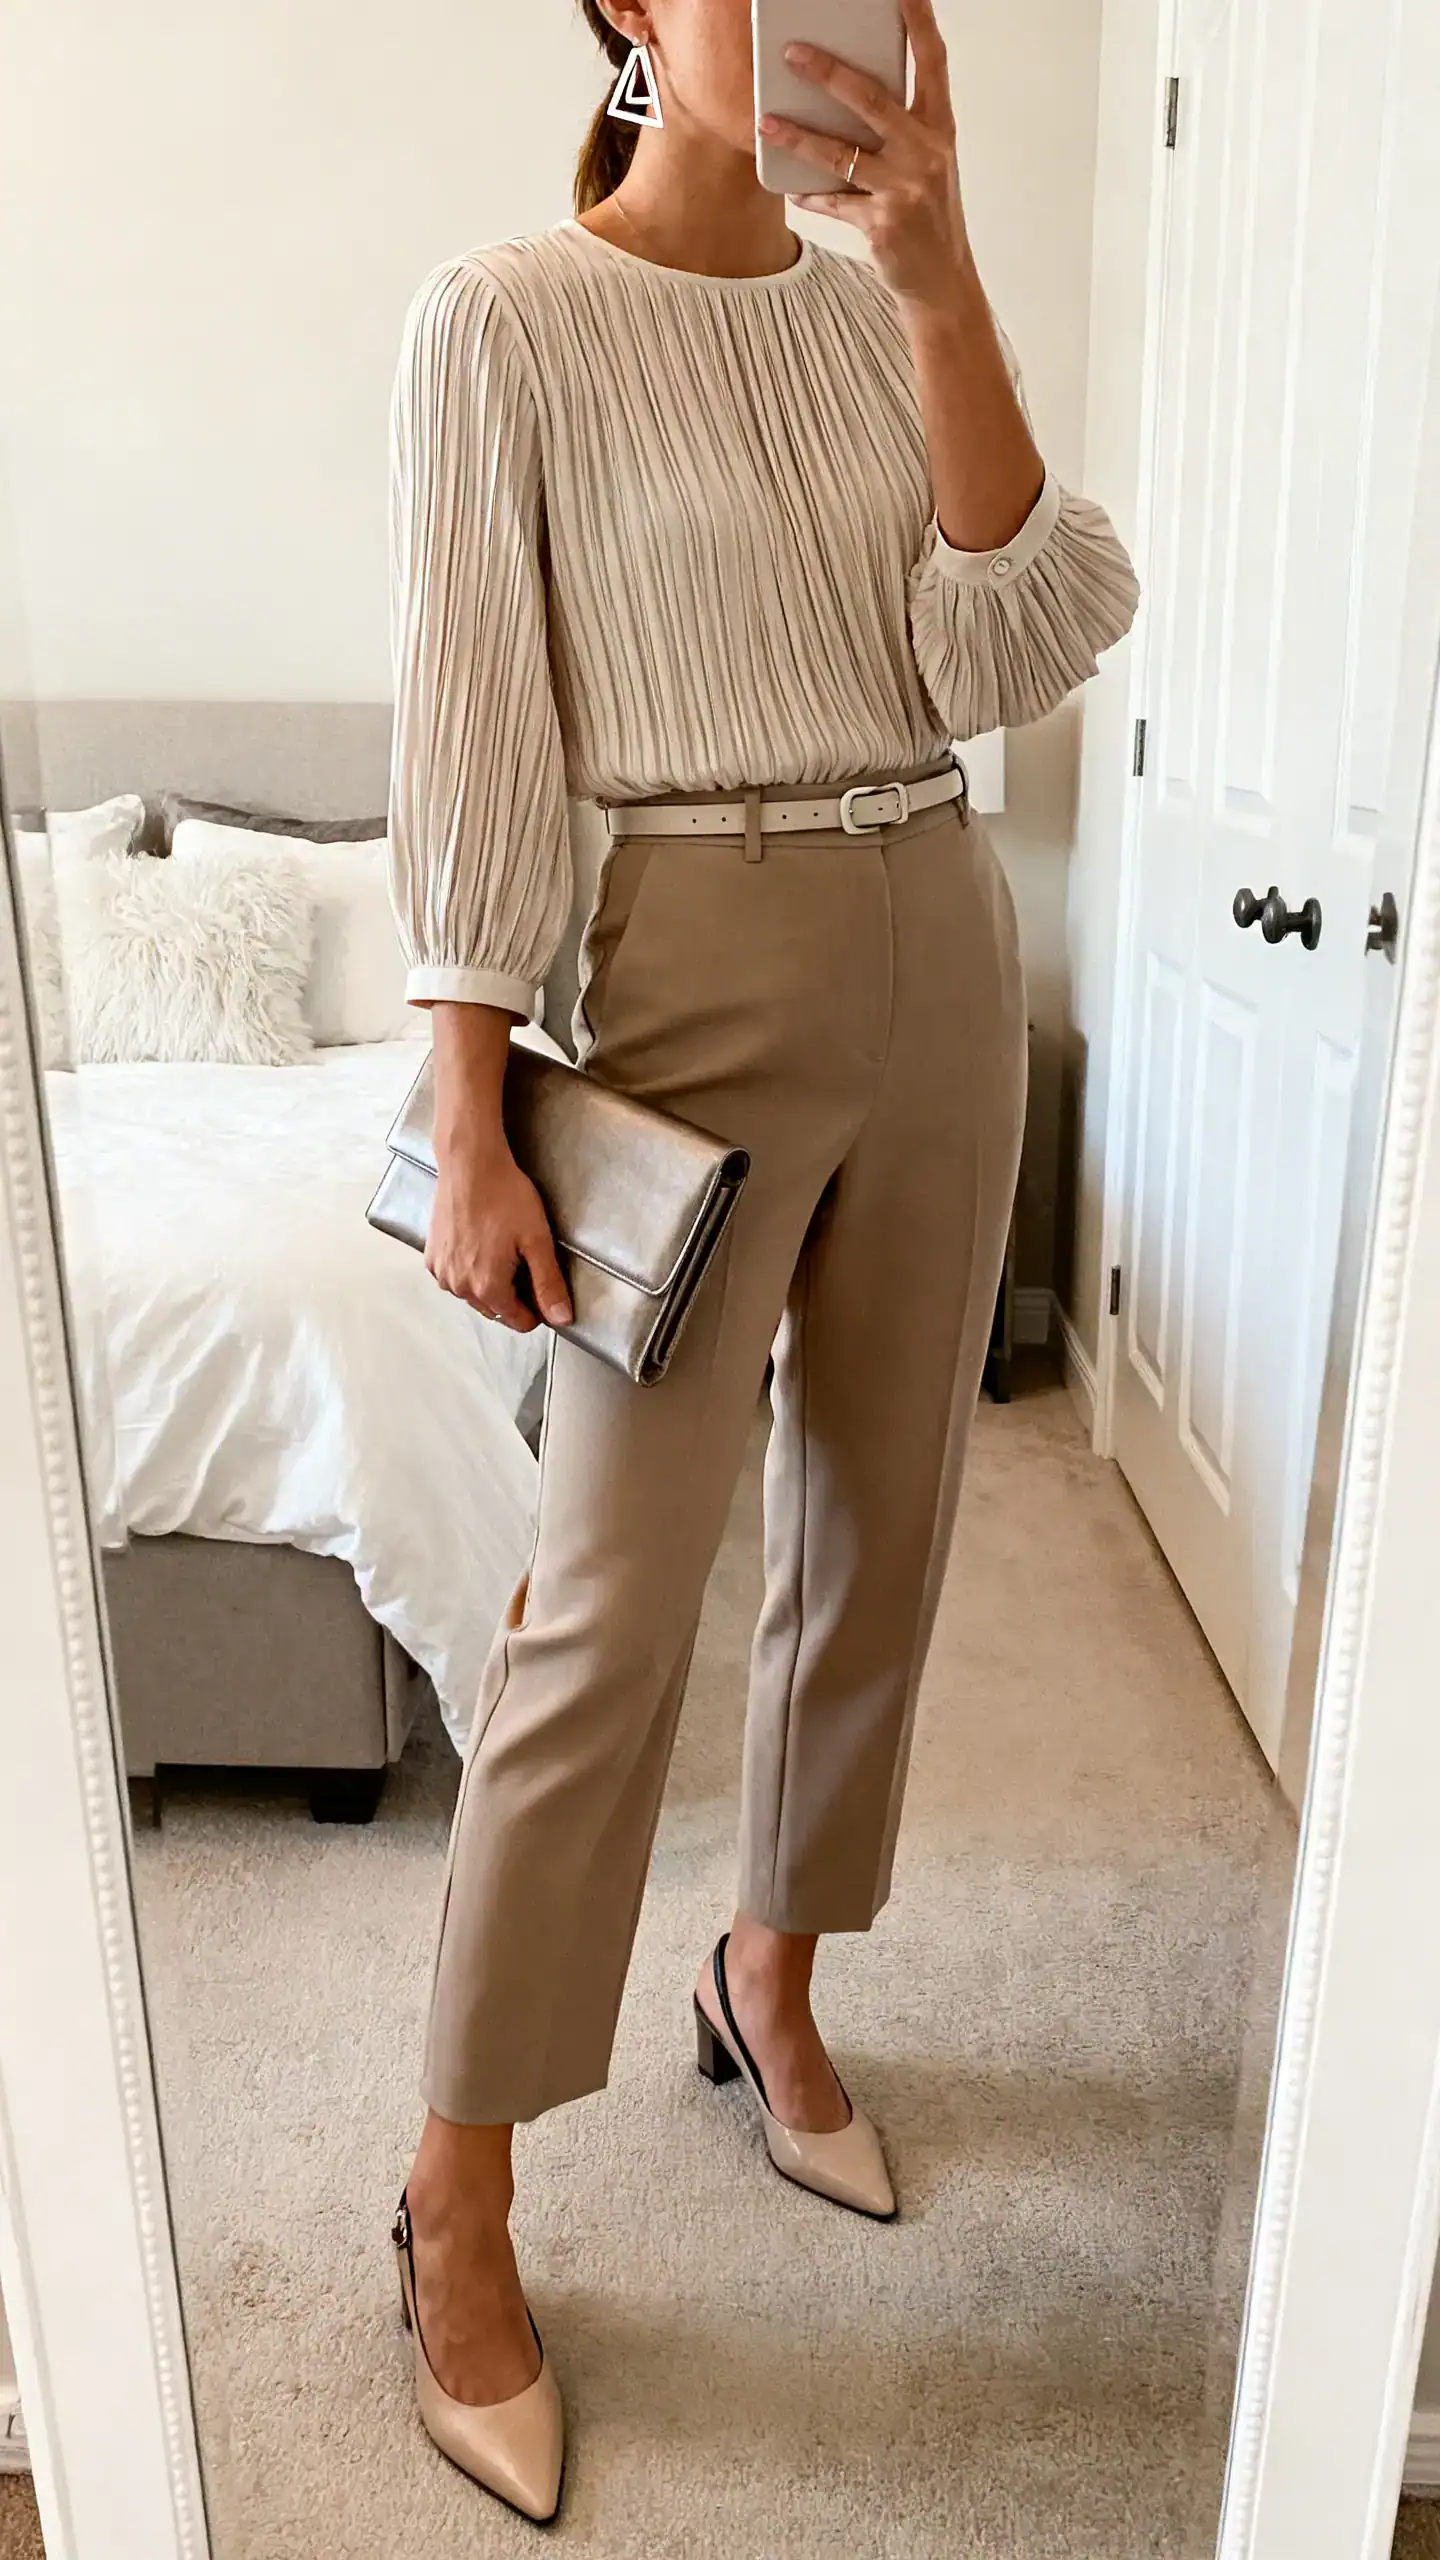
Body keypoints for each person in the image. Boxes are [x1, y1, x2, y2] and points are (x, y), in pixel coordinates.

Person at [384, 0, 1139, 2520]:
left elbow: (1014, 645)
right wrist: (463, 1089)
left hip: (938, 925)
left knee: (884, 1536)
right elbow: (483, 715)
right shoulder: (507, 318)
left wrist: (937, 282)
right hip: (685, 971)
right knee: (603, 1606)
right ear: (621, 9)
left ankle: (771, 1976)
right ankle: (458, 2190)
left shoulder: (870, 303)